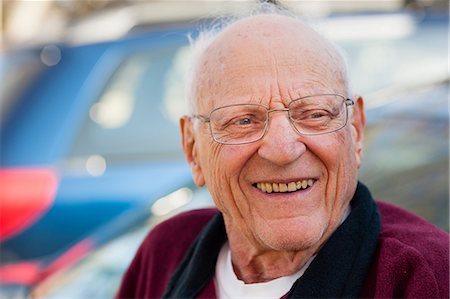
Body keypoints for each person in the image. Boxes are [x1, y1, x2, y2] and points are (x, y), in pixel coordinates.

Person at [117, 5, 449, 299]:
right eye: (243, 120)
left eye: (315, 114)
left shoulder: (426, 276)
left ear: (356, 131)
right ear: (192, 149)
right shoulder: (166, 252)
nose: (283, 150)